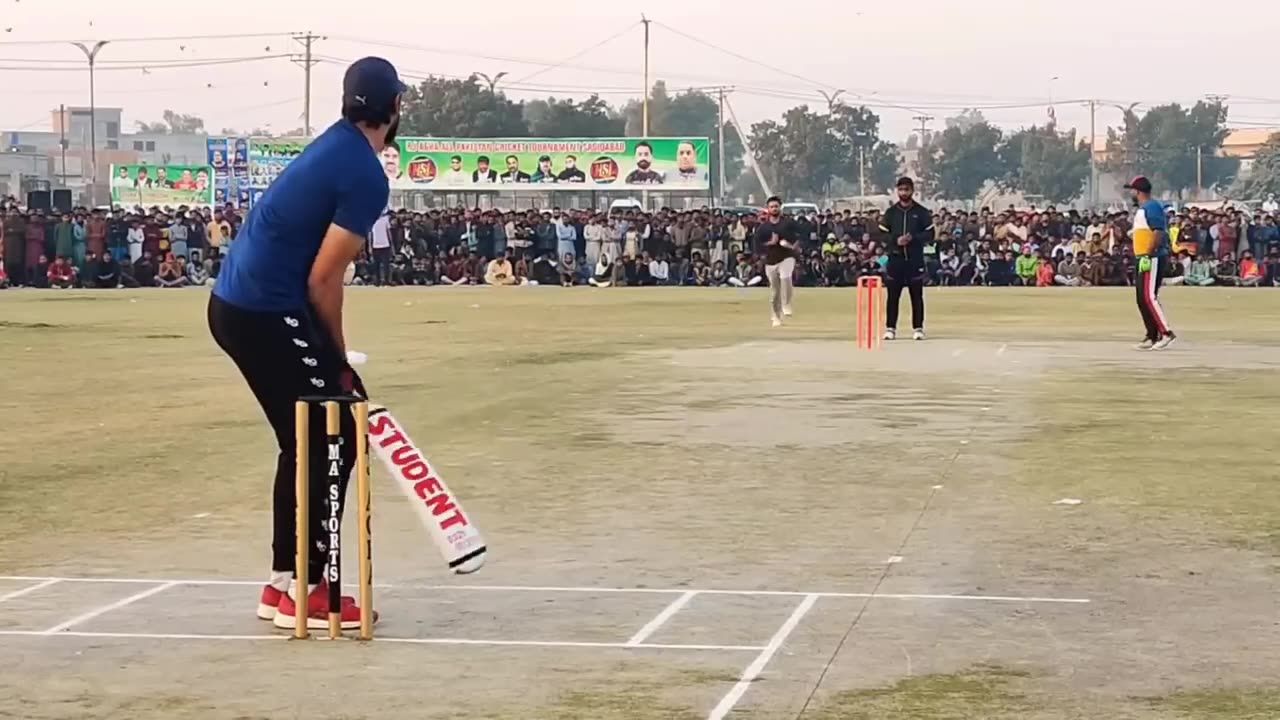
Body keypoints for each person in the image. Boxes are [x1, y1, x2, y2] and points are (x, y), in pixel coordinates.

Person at [207, 56, 403, 632]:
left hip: (236, 305)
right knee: (333, 430)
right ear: (395, 108)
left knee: (306, 440)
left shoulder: (335, 146)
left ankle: (282, 585)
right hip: (264, 309)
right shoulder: (365, 174)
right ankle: (309, 589)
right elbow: (324, 280)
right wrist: (338, 363)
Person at [1125, 176, 1176, 350]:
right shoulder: (1143, 209)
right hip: (1143, 257)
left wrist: (1149, 252)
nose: (1131, 193)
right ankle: (1152, 334)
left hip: (1151, 257)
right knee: (1142, 298)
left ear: (1138, 191)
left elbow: (1158, 232)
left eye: (1132, 190)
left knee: (1148, 296)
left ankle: (1166, 333)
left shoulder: (1151, 207)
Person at [878, 177, 931, 340]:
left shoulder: (921, 212)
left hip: (914, 259)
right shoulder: (891, 213)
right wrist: (896, 240)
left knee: (916, 296)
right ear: (897, 191)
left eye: (907, 190)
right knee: (893, 296)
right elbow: (882, 234)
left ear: (912, 191)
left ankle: (918, 328)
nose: (904, 193)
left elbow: (930, 234)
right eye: (901, 190)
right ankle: (890, 328)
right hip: (896, 259)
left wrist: (913, 238)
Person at [752, 196, 798, 328]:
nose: (774, 209)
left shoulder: (788, 223)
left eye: (776, 206)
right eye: (771, 207)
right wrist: (770, 243)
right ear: (768, 209)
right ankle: (776, 317)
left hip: (787, 257)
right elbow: (757, 245)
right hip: (771, 260)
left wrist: (792, 245)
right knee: (774, 292)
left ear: (780, 208)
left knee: (786, 277)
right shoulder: (763, 228)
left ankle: (786, 304)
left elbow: (802, 234)